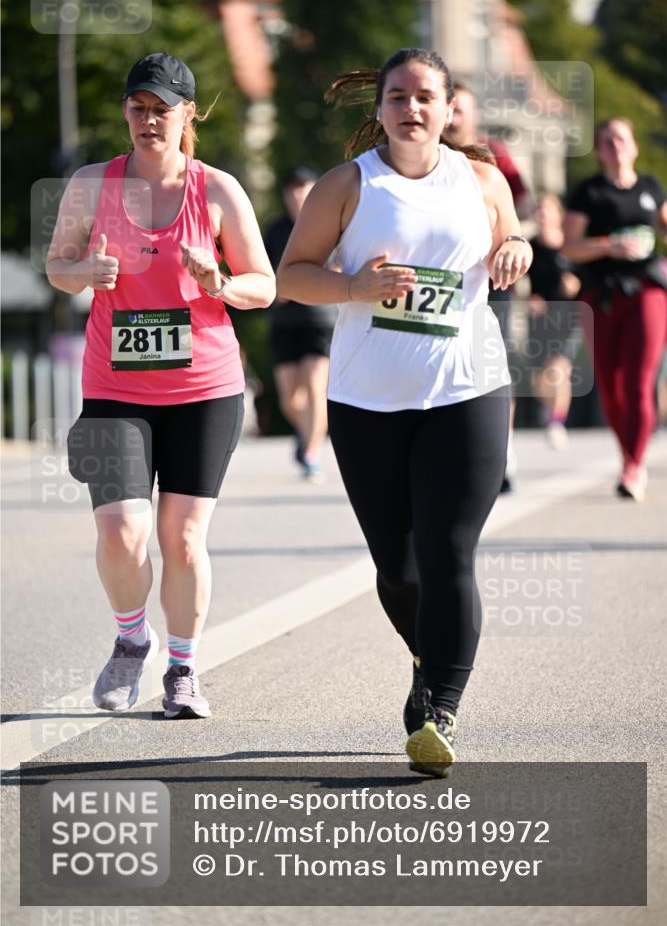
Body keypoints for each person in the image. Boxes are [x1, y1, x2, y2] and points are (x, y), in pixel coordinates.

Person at [277, 47, 531, 775]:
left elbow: (509, 239)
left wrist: (514, 248)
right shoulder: (346, 187)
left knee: (450, 554)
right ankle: (427, 658)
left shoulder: (480, 179)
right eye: (397, 97)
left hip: (466, 389)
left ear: (450, 107)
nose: (411, 109)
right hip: (367, 401)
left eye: (426, 96)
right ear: (379, 108)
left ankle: (440, 709)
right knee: (399, 566)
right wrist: (355, 289)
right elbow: (294, 277)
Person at [46, 52, 275, 718]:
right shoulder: (92, 184)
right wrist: (87, 268)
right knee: (120, 531)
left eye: (162, 109)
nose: (148, 120)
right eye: (137, 107)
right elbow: (57, 267)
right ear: (125, 111)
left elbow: (265, 284)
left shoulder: (219, 190)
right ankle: (128, 641)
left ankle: (182, 670)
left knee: (180, 539)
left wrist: (220, 284)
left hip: (204, 388)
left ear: (188, 114)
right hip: (113, 389)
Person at [564, 117, 667, 501]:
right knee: (610, 384)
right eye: (607, 140)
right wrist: (608, 246)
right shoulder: (588, 192)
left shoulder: (651, 188)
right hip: (601, 295)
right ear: (599, 151)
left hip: (647, 291)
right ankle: (628, 453)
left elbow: (664, 225)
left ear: (634, 146)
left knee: (640, 381)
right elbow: (569, 246)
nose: (615, 145)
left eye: (621, 138)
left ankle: (633, 466)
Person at [449, 82, 533, 492]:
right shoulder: (411, 161)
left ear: (473, 115)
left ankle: (502, 452)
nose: (451, 118)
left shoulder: (493, 158)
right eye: (447, 109)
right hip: (442, 285)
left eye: (459, 110)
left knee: (491, 366)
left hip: (492, 279)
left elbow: (522, 210)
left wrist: (511, 244)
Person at [264, 166, 335, 481]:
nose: (296, 193)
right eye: (291, 187)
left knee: (315, 387)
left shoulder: (329, 224)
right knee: (289, 400)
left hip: (320, 318)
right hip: (283, 322)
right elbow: (260, 268)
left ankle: (310, 455)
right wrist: (271, 288)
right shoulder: (275, 229)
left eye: (303, 186)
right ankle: (308, 430)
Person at [527, 194, 581, 449]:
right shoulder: (530, 246)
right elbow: (517, 280)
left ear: (559, 215)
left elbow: (585, 274)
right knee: (540, 377)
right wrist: (527, 297)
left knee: (560, 368)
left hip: (568, 316)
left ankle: (556, 422)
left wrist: (576, 285)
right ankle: (550, 410)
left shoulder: (569, 246)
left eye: (547, 210)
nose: (543, 215)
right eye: (539, 210)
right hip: (539, 316)